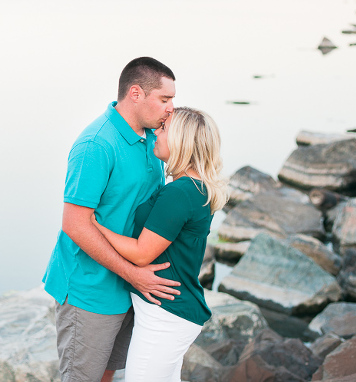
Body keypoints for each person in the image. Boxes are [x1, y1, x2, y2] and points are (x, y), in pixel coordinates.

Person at [42, 57, 181, 382]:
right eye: (165, 99)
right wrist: (134, 274)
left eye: (172, 100)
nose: (171, 108)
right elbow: (75, 224)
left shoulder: (152, 139)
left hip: (131, 289)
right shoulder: (96, 145)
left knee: (109, 375)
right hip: (89, 290)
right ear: (136, 93)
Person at [91, 107, 229, 382]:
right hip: (171, 311)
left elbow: (142, 254)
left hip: (167, 314)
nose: (156, 132)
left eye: (164, 128)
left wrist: (95, 226)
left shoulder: (181, 192)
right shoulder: (195, 187)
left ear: (181, 140)